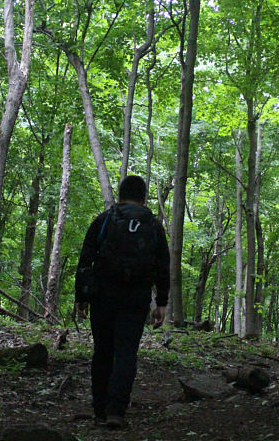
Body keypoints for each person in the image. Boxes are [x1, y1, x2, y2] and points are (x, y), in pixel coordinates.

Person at [74, 175, 170, 429]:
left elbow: (86, 258)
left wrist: (82, 296)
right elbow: (163, 265)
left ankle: (99, 410)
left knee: (103, 350)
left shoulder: (104, 220)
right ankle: (116, 411)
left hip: (103, 295)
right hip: (136, 298)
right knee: (126, 352)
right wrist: (161, 302)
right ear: (143, 196)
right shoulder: (153, 225)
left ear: (120, 194)